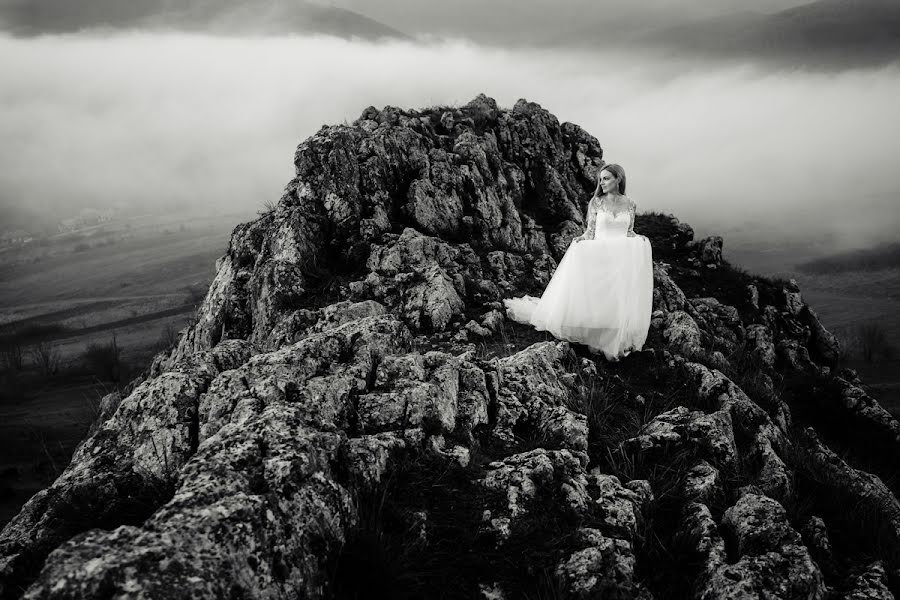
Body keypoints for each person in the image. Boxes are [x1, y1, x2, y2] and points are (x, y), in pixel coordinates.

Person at [502, 163, 653, 361]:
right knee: (595, 295)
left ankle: (613, 331)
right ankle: (592, 332)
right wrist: (581, 240)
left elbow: (629, 231)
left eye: (606, 178)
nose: (602, 182)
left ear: (618, 179)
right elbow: (590, 232)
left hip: (620, 257)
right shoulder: (596, 202)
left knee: (615, 296)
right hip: (600, 253)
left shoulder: (630, 204)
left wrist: (640, 239)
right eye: (600, 179)